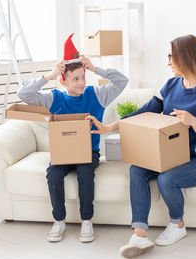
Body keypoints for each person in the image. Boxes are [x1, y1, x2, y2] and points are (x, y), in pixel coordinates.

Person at [86, 35, 196, 258]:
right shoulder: (171, 85)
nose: (168, 62)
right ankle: (140, 235)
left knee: (166, 179)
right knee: (137, 169)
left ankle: (177, 225)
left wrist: (193, 121)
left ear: (186, 57)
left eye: (172, 56)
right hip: (173, 155)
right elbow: (147, 110)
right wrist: (111, 126)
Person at [17, 33, 128, 243]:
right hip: (63, 154)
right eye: (75, 78)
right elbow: (24, 94)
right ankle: (59, 220)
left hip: (89, 152)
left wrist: (95, 69)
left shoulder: (96, 94)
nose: (81, 82)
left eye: (83, 77)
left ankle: (87, 220)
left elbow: (122, 81)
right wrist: (47, 77)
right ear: (63, 80)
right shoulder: (53, 98)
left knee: (86, 174)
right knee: (53, 174)